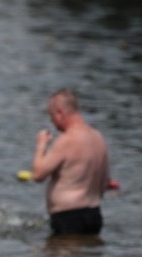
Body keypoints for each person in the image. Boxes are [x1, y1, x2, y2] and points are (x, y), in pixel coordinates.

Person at [31, 88, 110, 236]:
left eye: (51, 117)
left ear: (60, 113)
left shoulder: (67, 140)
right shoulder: (98, 137)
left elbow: (38, 174)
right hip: (94, 214)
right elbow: (104, 183)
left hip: (69, 217)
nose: (52, 123)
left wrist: (41, 145)